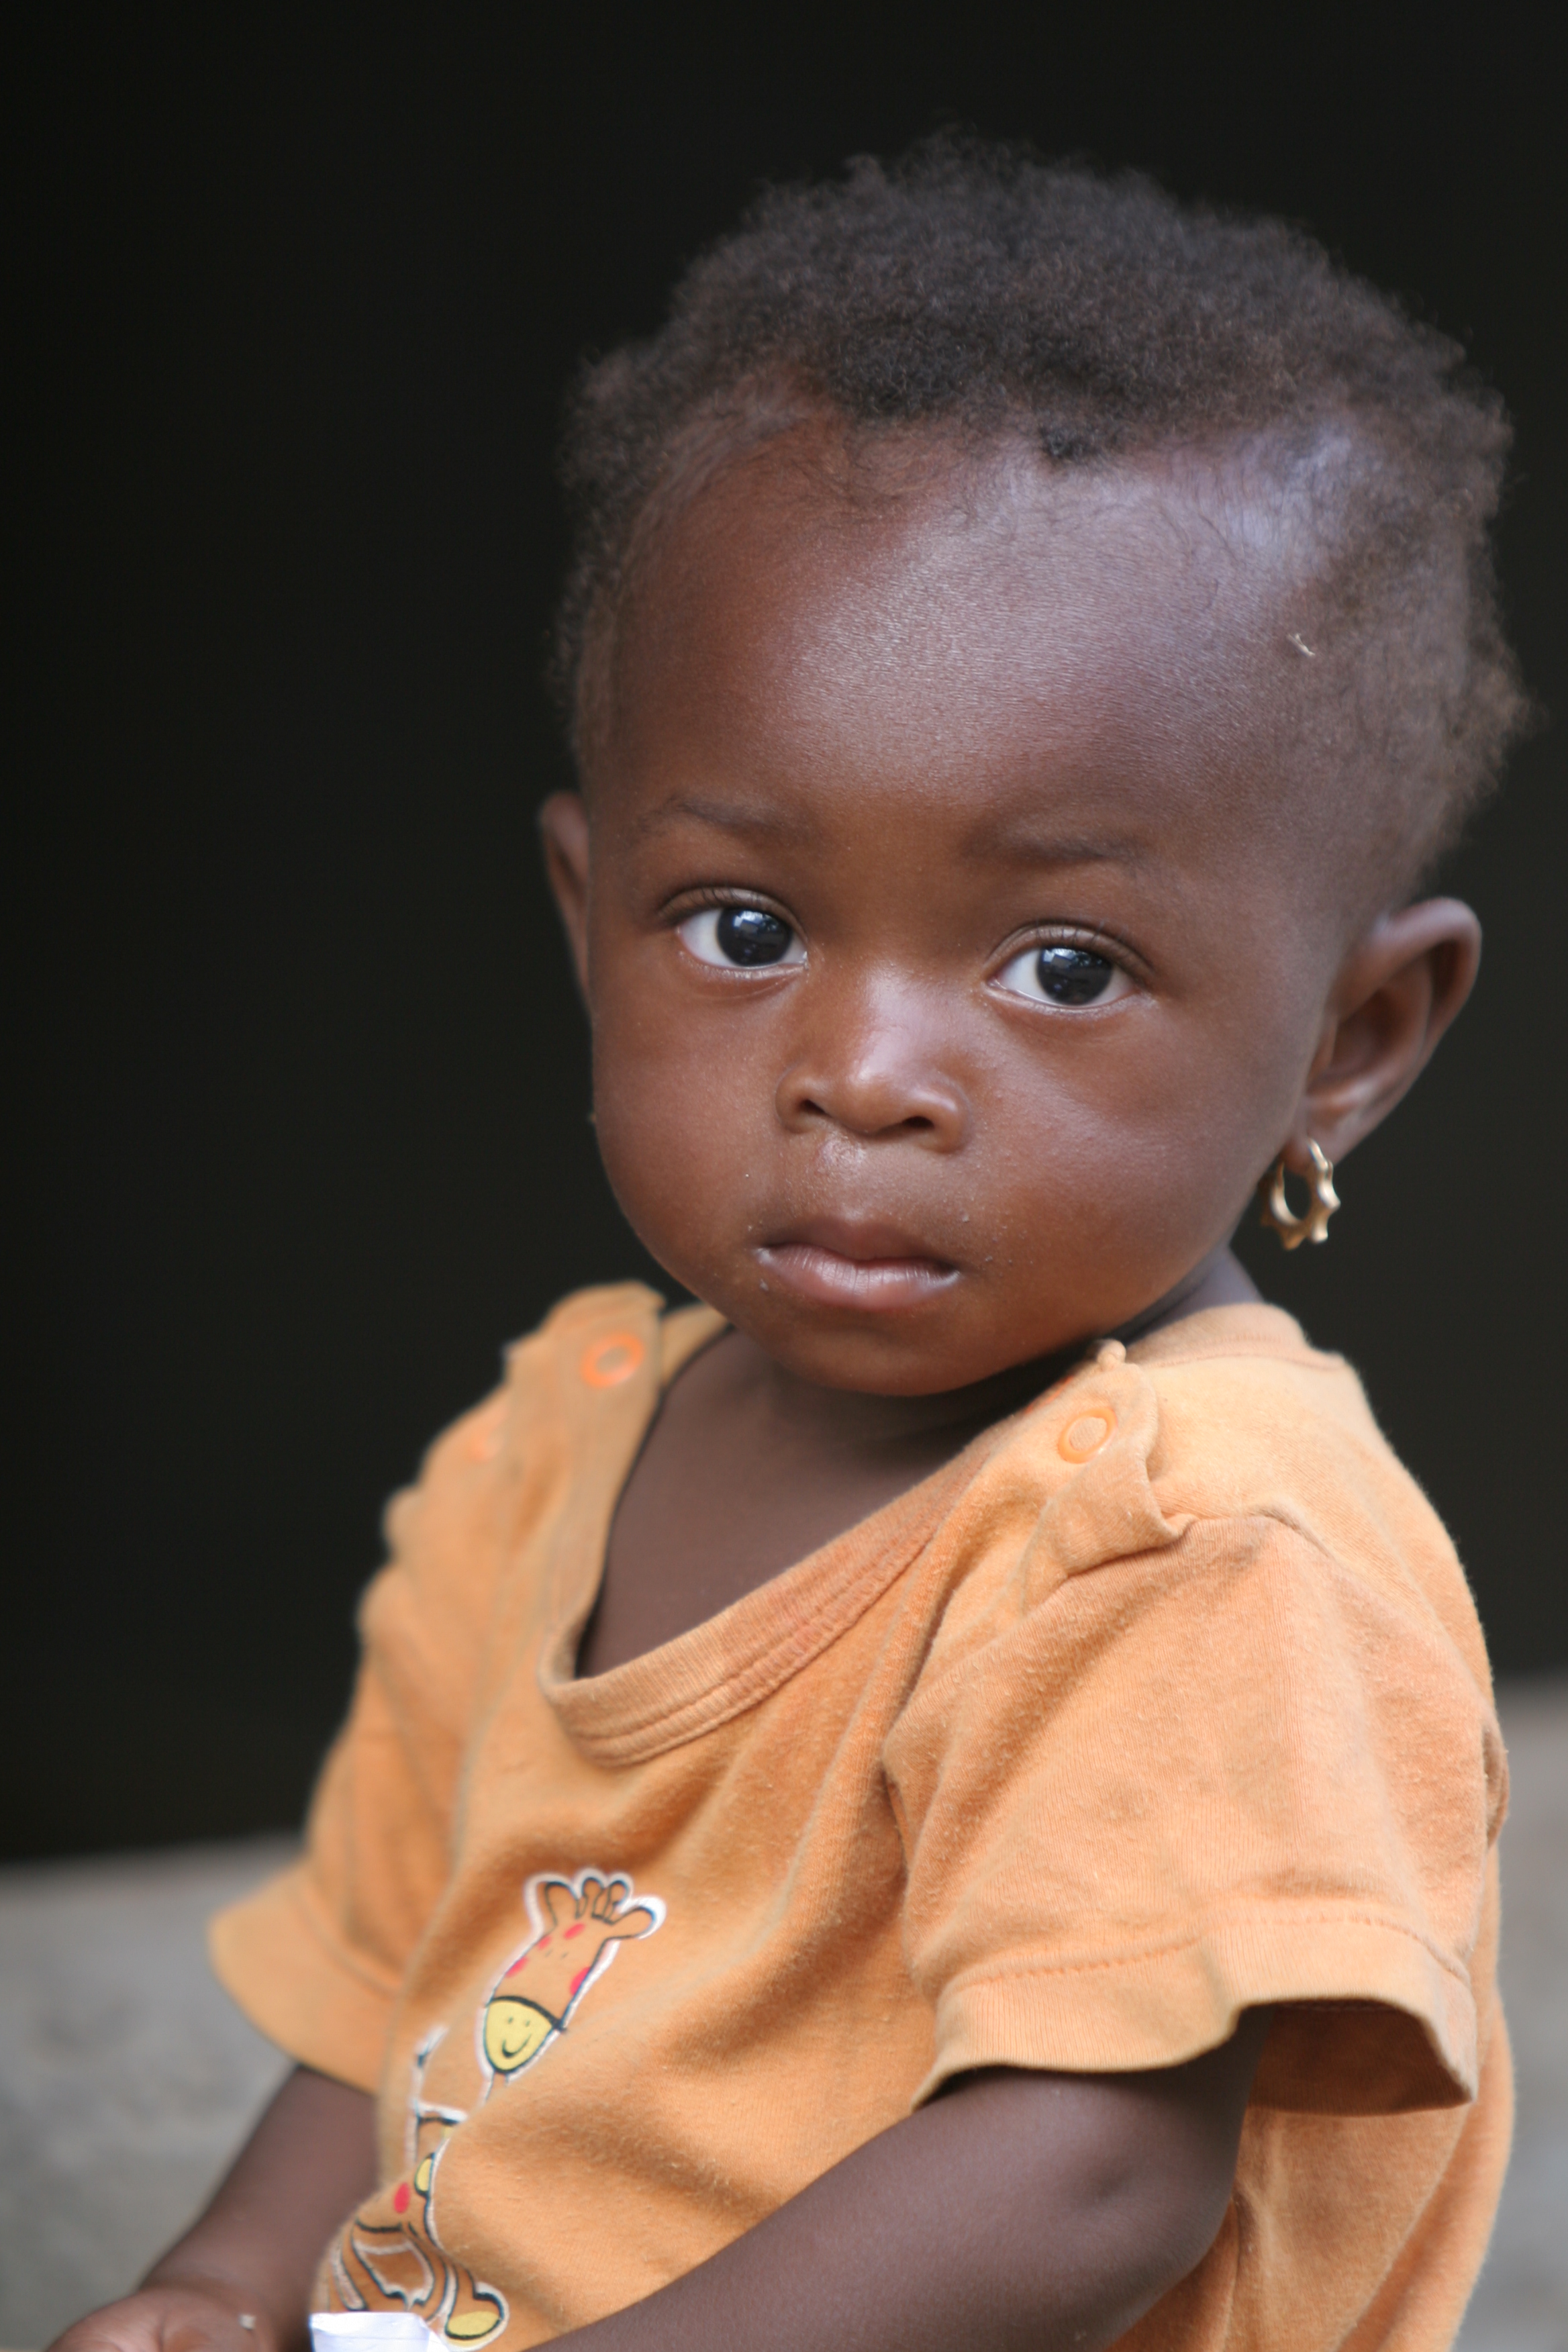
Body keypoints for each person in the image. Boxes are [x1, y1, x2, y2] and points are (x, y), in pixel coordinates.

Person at [55, 138, 1529, 2352]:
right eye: (743, 929)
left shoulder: (1190, 1540)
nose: (862, 1071)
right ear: (588, 924)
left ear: (1354, 1036)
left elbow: (1087, 2169)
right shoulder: (553, 1452)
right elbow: (395, 1964)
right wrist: (229, 2285)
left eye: (1058, 965)